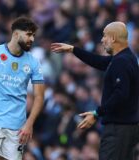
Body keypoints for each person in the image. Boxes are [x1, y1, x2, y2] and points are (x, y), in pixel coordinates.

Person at [51, 21, 139, 160]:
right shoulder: (125, 58)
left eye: (105, 36)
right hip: (125, 128)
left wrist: (97, 113)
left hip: (118, 130)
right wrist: (73, 49)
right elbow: (98, 61)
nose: (102, 40)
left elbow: (121, 94)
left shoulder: (121, 62)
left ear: (113, 38)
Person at [0, 17, 45, 160]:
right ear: (15, 34)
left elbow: (39, 96)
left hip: (17, 127)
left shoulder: (34, 62)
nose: (32, 39)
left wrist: (29, 123)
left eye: (33, 35)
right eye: (28, 34)